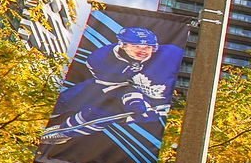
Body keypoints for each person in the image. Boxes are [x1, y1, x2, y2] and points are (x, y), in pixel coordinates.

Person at [40, 27, 184, 146]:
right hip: (116, 91)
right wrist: (134, 100)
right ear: (123, 45)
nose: (143, 50)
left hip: (158, 100)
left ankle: (65, 131)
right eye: (136, 46)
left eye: (147, 47)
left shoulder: (170, 54)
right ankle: (42, 113)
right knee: (82, 94)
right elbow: (115, 89)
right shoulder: (101, 58)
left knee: (102, 113)